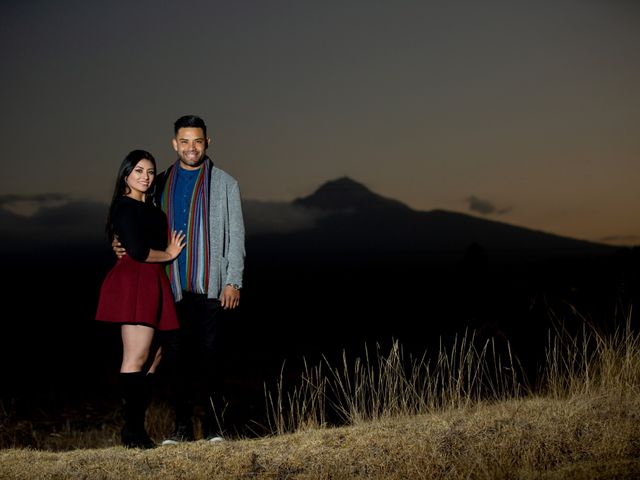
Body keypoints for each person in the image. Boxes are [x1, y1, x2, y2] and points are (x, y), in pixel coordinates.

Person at [114, 115, 246, 444]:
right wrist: (121, 244)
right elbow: (134, 220)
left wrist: (234, 280)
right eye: (184, 141)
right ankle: (182, 430)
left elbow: (237, 235)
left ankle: (216, 429)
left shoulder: (226, 183)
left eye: (197, 141)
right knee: (176, 363)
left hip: (212, 285)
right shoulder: (158, 183)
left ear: (207, 142)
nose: (191, 147)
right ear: (174, 144)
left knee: (213, 358)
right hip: (170, 286)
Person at [95, 149, 186, 449]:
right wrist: (170, 254)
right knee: (135, 356)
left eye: (150, 172)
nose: (145, 177)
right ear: (126, 175)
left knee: (155, 355)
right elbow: (137, 251)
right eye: (138, 171)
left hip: (153, 281)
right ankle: (133, 432)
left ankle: (136, 429)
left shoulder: (151, 208)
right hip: (136, 280)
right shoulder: (124, 206)